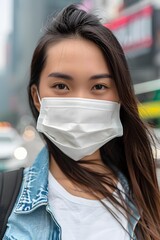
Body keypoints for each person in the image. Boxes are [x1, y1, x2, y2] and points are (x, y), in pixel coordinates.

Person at [3, 4, 160, 240]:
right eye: (61, 86)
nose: (80, 101)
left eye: (99, 86)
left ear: (119, 95)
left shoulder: (148, 201)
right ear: (37, 97)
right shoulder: (6, 196)